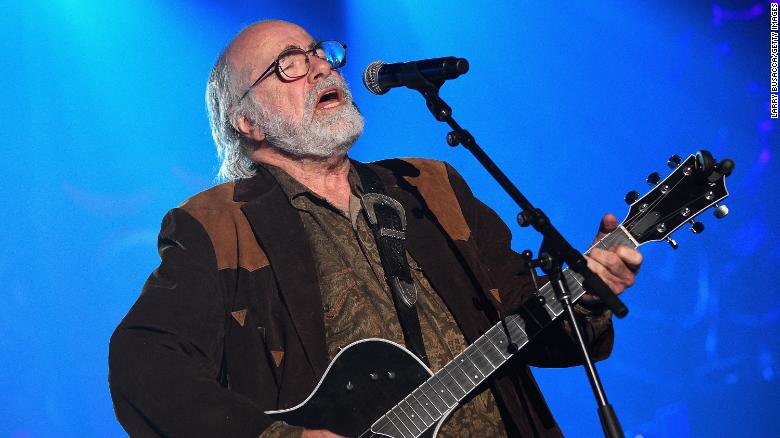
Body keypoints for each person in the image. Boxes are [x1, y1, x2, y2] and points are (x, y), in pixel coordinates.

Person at [109, 20, 643, 438]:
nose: (321, 67)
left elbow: (534, 326)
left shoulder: (429, 187)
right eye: (290, 65)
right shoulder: (217, 225)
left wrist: (587, 292)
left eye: (320, 52)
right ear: (245, 121)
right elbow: (143, 363)